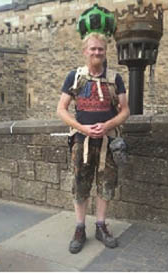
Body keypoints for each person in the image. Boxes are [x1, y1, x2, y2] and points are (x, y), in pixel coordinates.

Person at [56, 32, 130, 254]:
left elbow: (125, 110)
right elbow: (61, 109)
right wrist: (83, 128)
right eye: (93, 49)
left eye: (101, 49)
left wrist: (107, 125)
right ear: (85, 51)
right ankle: (80, 228)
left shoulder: (115, 78)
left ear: (105, 52)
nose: (97, 52)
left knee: (106, 184)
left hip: (109, 141)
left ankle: (101, 225)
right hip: (82, 140)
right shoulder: (74, 77)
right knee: (81, 184)